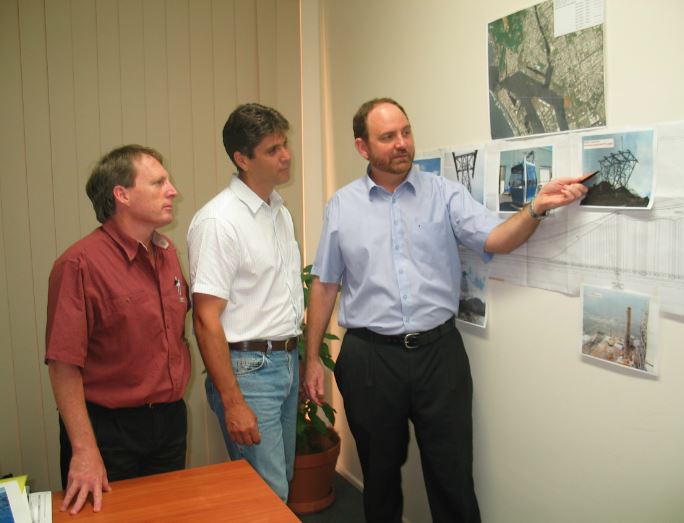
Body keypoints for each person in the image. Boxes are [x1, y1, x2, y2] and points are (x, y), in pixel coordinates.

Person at [303, 98, 589, 522]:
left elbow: (497, 238)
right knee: (379, 478)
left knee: (452, 476)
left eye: (406, 131)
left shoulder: (445, 194)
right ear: (362, 147)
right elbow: (326, 284)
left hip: (440, 356)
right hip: (370, 360)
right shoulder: (342, 207)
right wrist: (312, 359)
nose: (402, 143)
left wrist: (535, 207)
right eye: (388, 137)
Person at [45, 145, 191, 515]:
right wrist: (84, 449)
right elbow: (63, 363)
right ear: (121, 195)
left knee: (165, 515)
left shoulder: (167, 255)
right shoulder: (79, 265)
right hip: (110, 432)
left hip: (169, 422)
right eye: (158, 182)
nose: (172, 190)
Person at [187, 103, 303, 501]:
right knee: (266, 495)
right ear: (242, 159)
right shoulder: (219, 222)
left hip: (284, 363)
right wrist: (233, 402)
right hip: (249, 372)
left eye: (284, 144)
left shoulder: (278, 212)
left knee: (279, 483)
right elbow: (205, 319)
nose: (286, 155)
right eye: (273, 149)